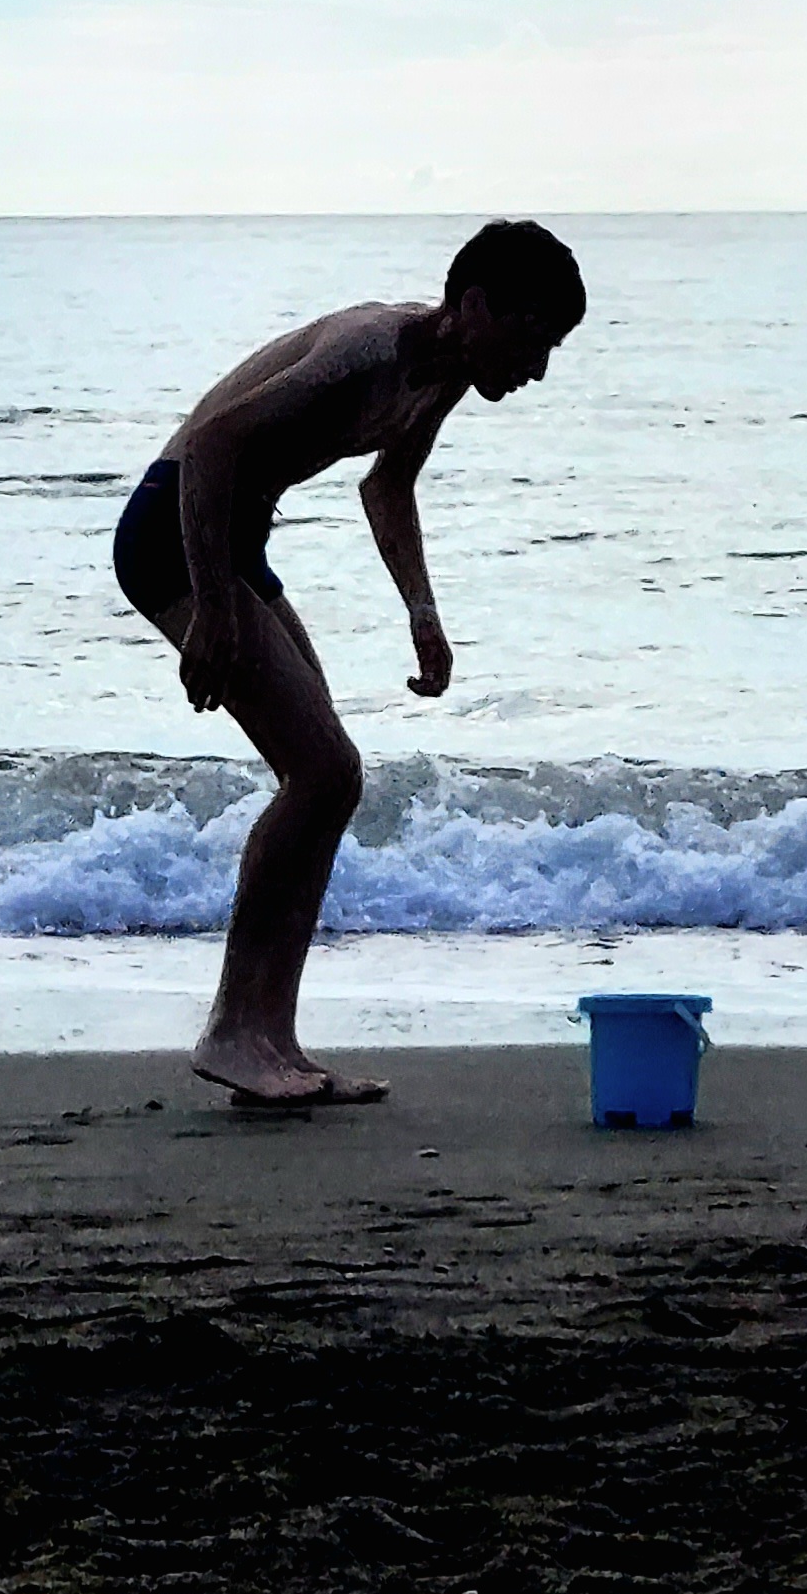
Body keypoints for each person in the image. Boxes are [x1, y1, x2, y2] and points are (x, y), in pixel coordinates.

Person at [113, 220, 586, 1105]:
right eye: (532, 337)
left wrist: (422, 614)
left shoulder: (439, 377)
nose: (538, 367)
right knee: (323, 770)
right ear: (474, 305)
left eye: (551, 347)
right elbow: (213, 444)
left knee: (328, 780)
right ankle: (230, 1031)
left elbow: (388, 486)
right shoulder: (368, 347)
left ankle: (271, 1036)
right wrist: (214, 605)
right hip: (175, 529)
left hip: (234, 536)